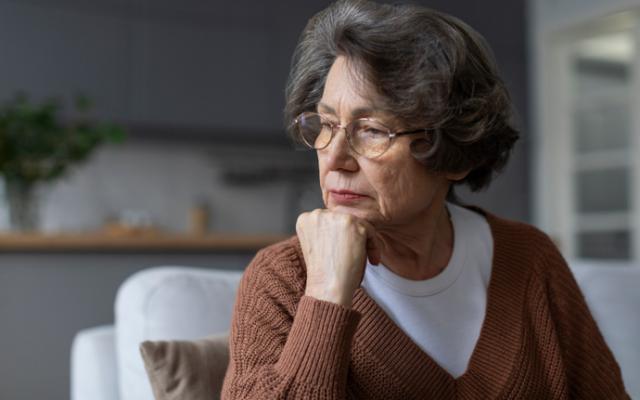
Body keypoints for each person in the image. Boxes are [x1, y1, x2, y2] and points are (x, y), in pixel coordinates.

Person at [221, 0, 630, 398]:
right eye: (326, 124)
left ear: (454, 152)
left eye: (373, 130)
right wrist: (327, 293)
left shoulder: (530, 258)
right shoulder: (283, 280)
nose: (335, 157)